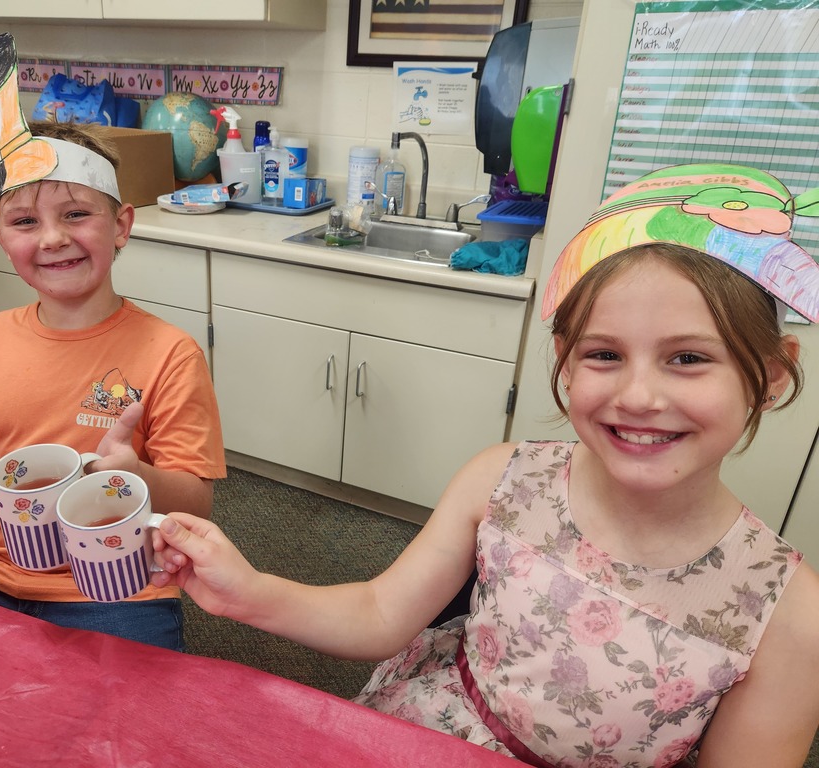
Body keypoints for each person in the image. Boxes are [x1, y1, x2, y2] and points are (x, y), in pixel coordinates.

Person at [150, 164, 819, 767]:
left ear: (769, 375)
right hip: (423, 729)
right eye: (604, 355)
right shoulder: (503, 479)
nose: (638, 396)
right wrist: (251, 591)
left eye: (688, 358)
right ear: (563, 353)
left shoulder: (788, 615)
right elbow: (383, 610)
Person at [0, 34, 225, 651]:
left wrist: (136, 473)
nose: (53, 238)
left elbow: (196, 497)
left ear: (122, 226)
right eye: (26, 221)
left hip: (119, 591)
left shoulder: (170, 354)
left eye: (76, 215)